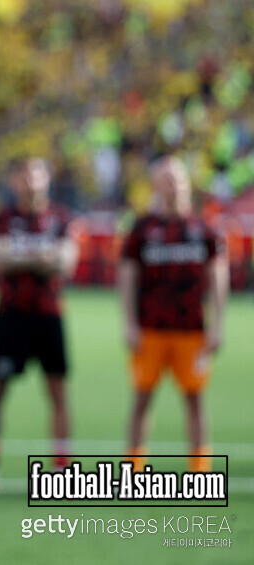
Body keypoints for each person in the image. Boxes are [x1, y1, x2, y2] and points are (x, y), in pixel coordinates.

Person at [0, 158, 78, 499]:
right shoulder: (1, 219)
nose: (31, 182)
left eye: (37, 174)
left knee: (58, 394)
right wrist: (42, 257)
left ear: (47, 179)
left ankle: (62, 474)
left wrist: (21, 257)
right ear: (15, 181)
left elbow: (67, 262)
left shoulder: (61, 218)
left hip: (49, 316)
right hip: (10, 316)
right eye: (24, 175)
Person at [119, 156, 228, 473]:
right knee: (142, 398)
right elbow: (126, 278)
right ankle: (134, 471)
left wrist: (218, 325)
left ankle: (200, 471)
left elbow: (218, 278)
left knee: (195, 399)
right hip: (150, 328)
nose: (174, 184)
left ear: (188, 182)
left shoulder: (204, 228)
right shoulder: (142, 229)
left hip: (192, 329)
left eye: (178, 178)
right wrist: (127, 323)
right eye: (167, 178)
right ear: (156, 184)